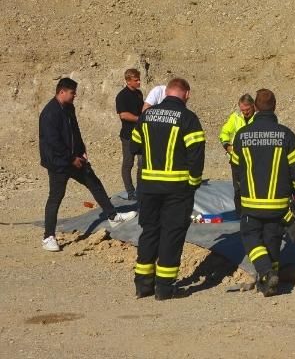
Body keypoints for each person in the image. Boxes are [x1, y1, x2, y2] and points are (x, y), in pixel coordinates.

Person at [39, 78, 137, 252]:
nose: (75, 95)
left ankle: (113, 216)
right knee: (55, 197)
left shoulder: (69, 108)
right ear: (62, 91)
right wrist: (71, 158)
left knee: (94, 183)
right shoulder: (49, 113)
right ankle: (48, 237)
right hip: (58, 163)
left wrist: (81, 150)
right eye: (72, 92)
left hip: (75, 158)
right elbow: (53, 142)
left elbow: (74, 130)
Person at [130, 77, 205, 300]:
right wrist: (193, 183)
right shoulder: (188, 118)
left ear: (166, 92)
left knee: (149, 231)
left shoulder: (146, 115)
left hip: (148, 186)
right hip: (177, 188)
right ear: (186, 94)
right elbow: (196, 156)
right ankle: (164, 287)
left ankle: (143, 284)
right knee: (172, 234)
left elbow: (135, 146)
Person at [233, 89, 295, 297]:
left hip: (251, 203)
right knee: (272, 239)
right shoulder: (286, 135)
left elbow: (236, 167)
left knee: (250, 237)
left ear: (255, 107)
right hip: (278, 204)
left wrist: (240, 191)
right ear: (274, 106)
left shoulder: (242, 135)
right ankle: (269, 283)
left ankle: (265, 271)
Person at [218, 93, 256, 217]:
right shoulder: (235, 117)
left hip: (254, 160)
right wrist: (227, 145)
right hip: (237, 160)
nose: (245, 112)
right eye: (242, 110)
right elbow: (224, 132)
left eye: (247, 109)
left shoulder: (258, 118)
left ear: (253, 106)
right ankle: (239, 215)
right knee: (238, 188)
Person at [115, 68, 144, 200]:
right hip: (128, 135)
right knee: (128, 164)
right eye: (136, 80)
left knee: (142, 163)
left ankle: (140, 189)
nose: (139, 82)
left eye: (139, 79)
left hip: (141, 134)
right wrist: (140, 119)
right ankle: (131, 192)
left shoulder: (139, 94)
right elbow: (123, 115)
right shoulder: (122, 96)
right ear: (128, 81)